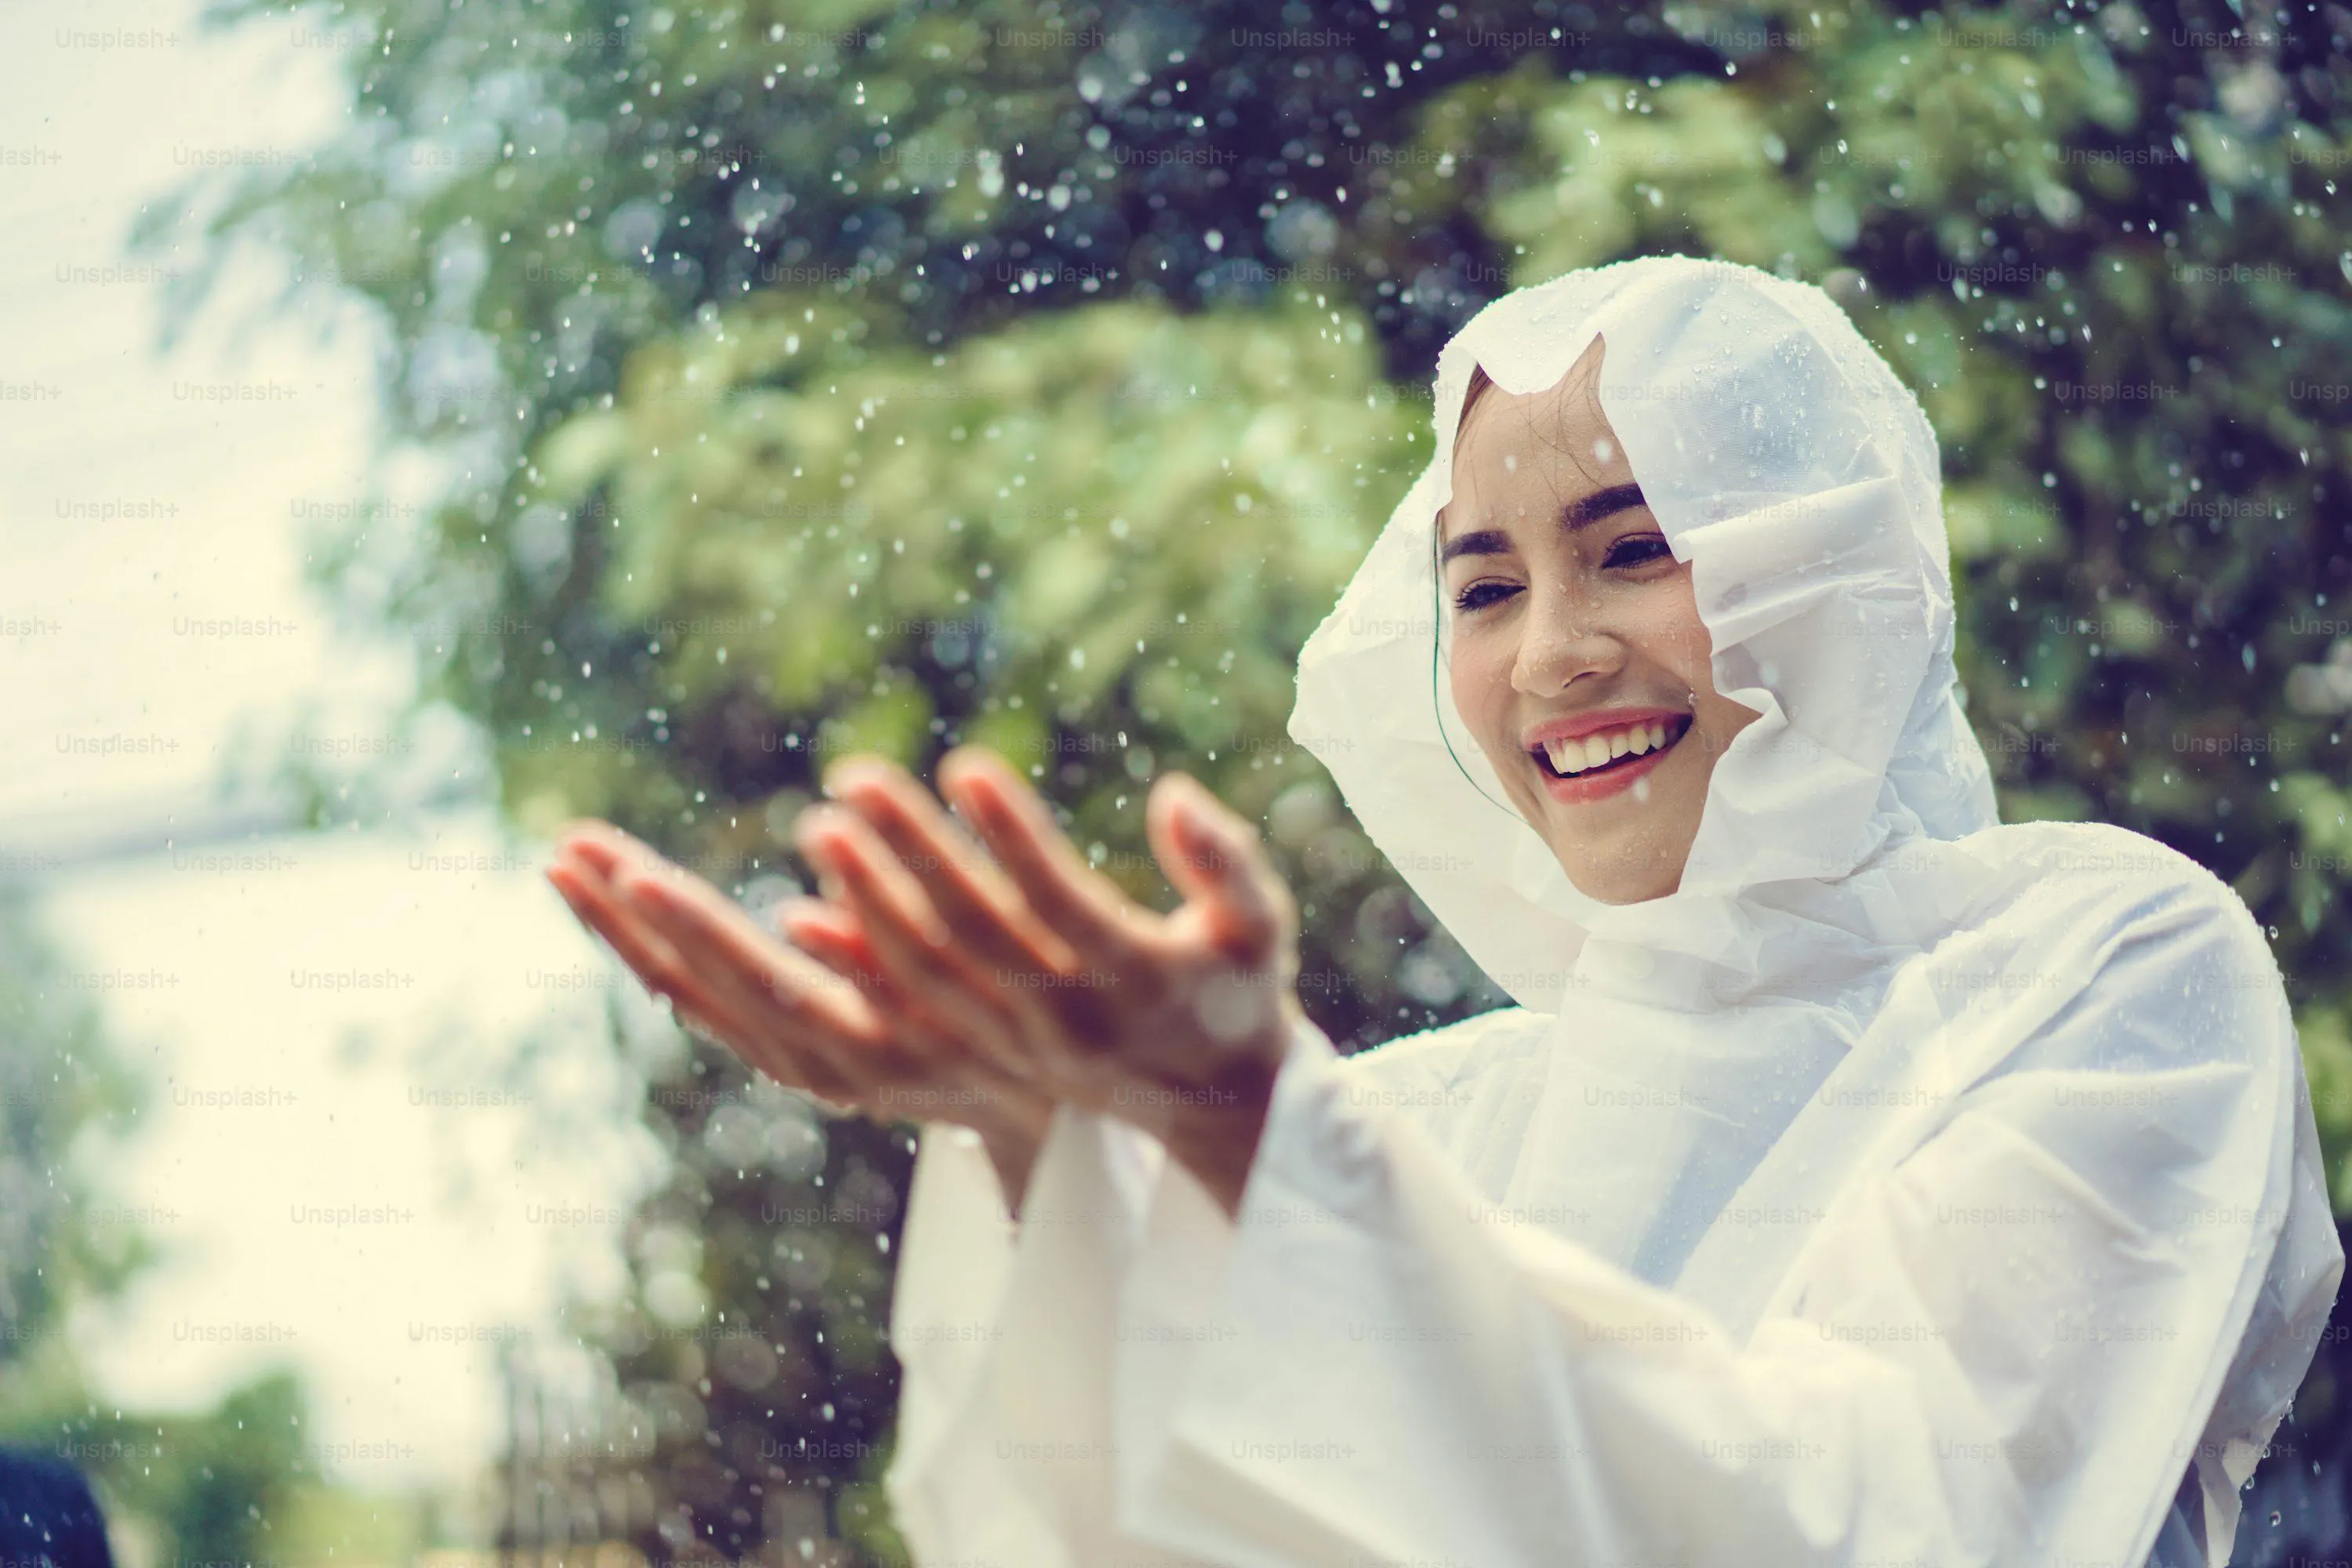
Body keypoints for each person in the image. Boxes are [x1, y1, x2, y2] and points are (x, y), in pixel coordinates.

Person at [547, 256, 2343, 1567]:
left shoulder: (2100, 965)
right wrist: (1055, 1147)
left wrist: (1259, 1136)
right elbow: (1142, 1529)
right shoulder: (1440, 1113)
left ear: (1831, 563)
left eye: (1637, 547)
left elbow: (1894, 1520)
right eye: (1484, 586)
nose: (1553, 653)